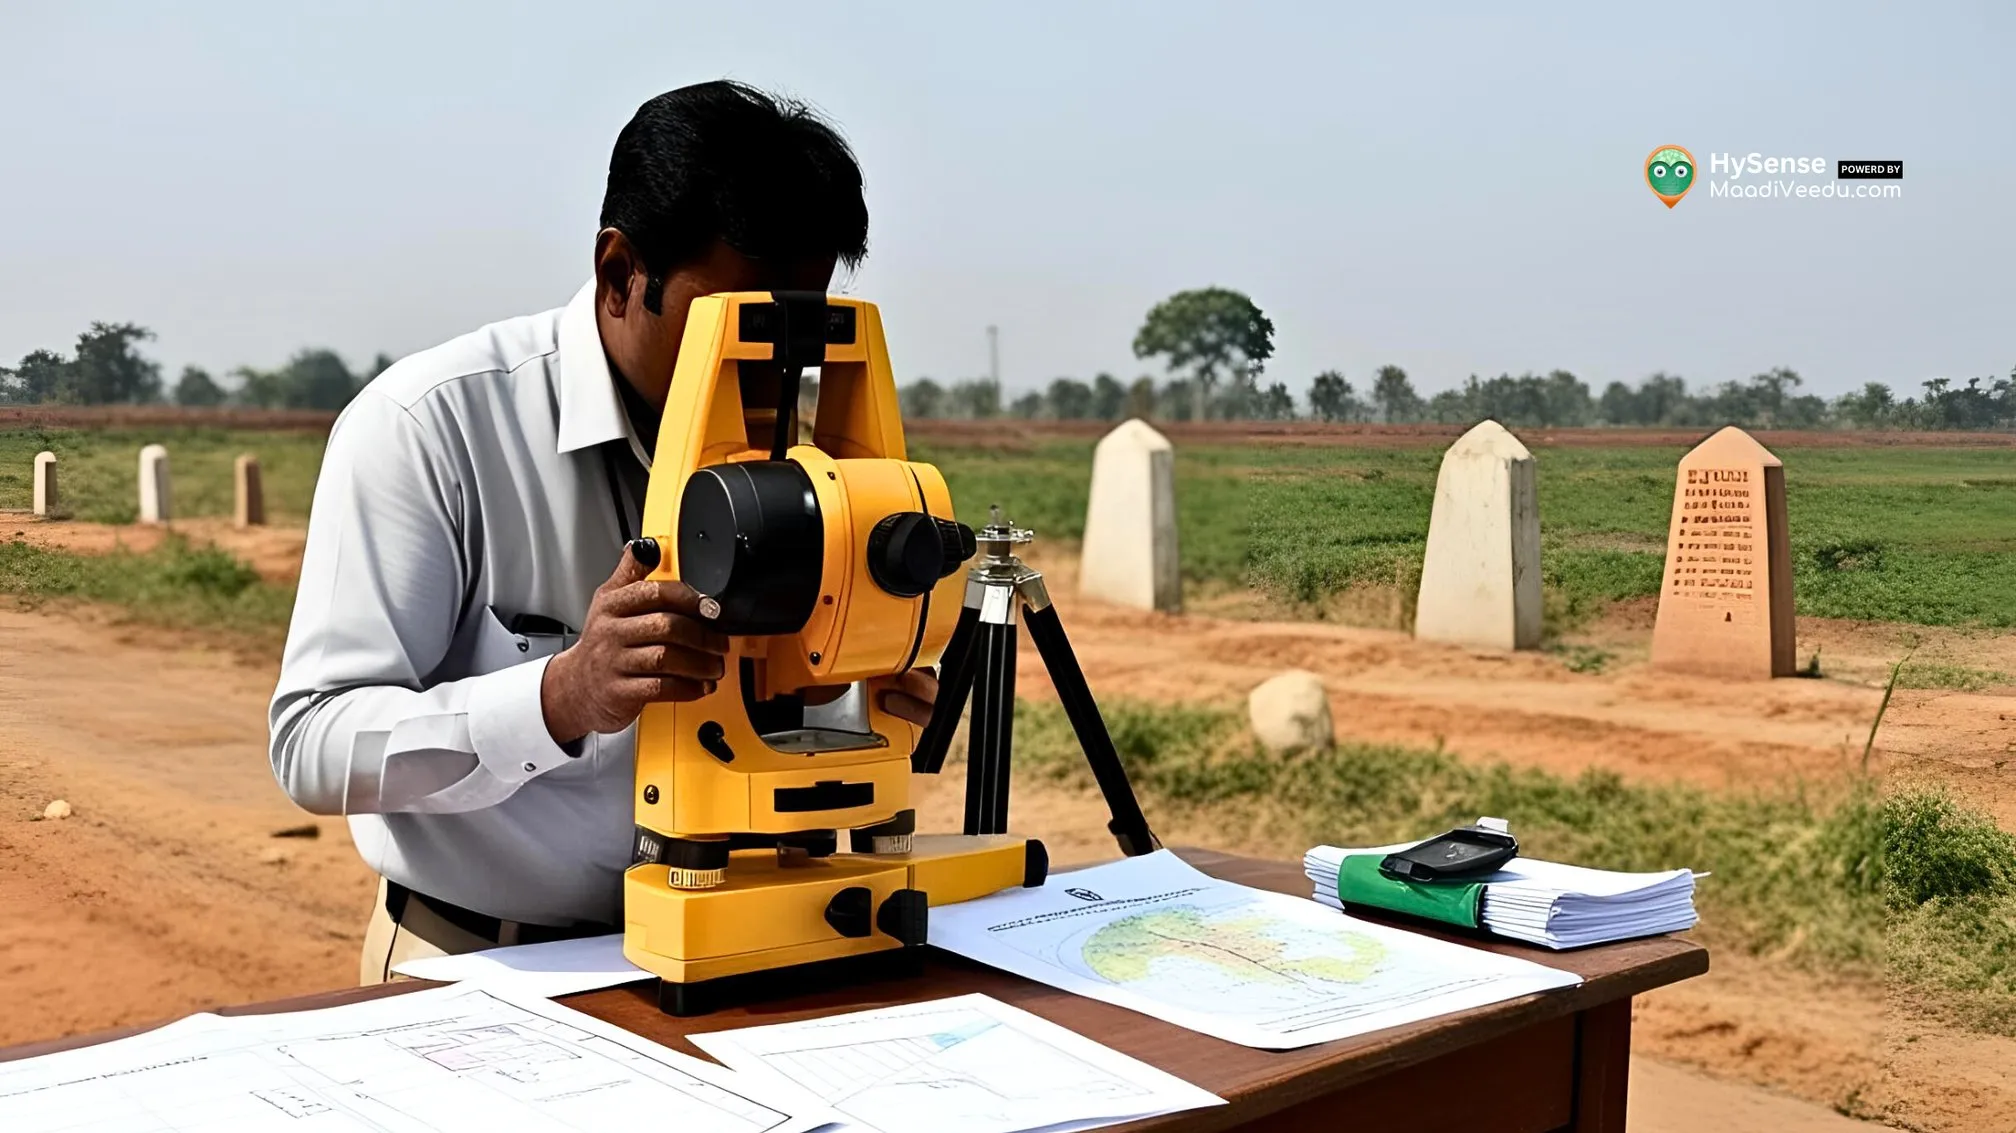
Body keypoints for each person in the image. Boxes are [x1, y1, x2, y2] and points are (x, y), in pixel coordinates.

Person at [268, 81, 938, 984]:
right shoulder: (431, 428)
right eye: (736, 327)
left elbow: (795, 708)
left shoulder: (800, 457)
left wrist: (861, 676)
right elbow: (315, 743)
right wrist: (562, 695)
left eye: (795, 333)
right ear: (622, 274)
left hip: (751, 952)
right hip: (490, 967)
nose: (772, 371)